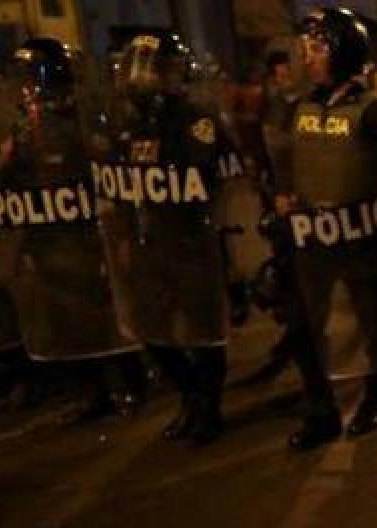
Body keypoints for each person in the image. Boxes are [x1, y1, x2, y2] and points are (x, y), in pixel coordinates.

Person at [0, 38, 148, 421]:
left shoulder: (79, 123)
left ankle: (131, 382)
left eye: (30, 80)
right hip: (48, 241)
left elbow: (106, 175)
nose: (25, 90)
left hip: (84, 238)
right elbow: (10, 185)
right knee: (65, 320)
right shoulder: (23, 134)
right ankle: (90, 393)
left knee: (104, 312)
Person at [98, 32, 236, 445]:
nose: (142, 78)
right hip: (148, 240)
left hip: (190, 240)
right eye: (137, 68)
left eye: (152, 69)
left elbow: (209, 174)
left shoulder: (196, 117)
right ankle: (190, 396)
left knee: (202, 329)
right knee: (152, 329)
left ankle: (208, 406)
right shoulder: (129, 122)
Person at [272, 8, 377, 450]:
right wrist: (283, 193)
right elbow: (286, 160)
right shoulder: (300, 108)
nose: (309, 58)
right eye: (307, 48)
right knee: (306, 327)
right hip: (311, 243)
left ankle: (375, 399)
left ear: (344, 51)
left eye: (319, 48)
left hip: (362, 241)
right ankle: (321, 410)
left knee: (372, 323)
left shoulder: (372, 111)